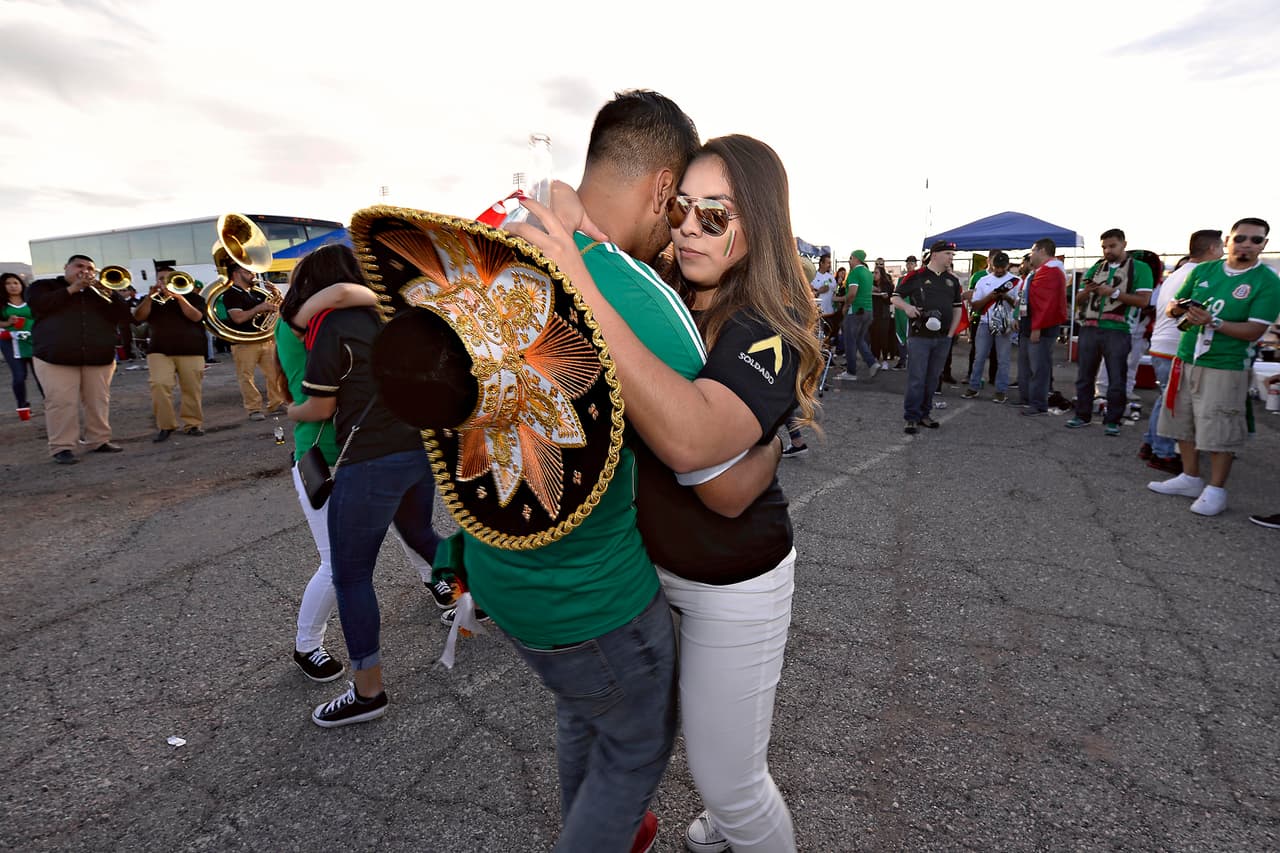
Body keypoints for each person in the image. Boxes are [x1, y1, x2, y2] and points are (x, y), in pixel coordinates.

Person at [511, 131, 820, 853]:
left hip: (731, 578)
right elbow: (577, 204)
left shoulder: (768, 327)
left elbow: (709, 471)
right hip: (647, 570)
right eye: (680, 207)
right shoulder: (661, 286)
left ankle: (736, 819)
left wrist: (584, 288)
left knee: (732, 785)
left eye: (715, 214)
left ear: (760, 224)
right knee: (631, 729)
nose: (687, 228)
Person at [274, 247, 457, 686]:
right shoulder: (298, 319)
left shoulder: (352, 319)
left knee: (412, 528)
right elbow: (341, 294)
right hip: (326, 453)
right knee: (338, 564)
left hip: (370, 451)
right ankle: (307, 645)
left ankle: (443, 585)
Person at [1148, 217, 1280, 517]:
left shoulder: (1267, 281)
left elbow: (1254, 331)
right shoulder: (1204, 270)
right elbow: (1173, 306)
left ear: (1264, 245)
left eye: (1256, 240)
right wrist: (1179, 309)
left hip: (1226, 364)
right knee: (1182, 420)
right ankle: (1190, 477)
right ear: (1228, 241)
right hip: (1187, 357)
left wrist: (1213, 322)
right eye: (1240, 238)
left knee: (1220, 426)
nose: (1247, 244)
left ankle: (1216, 489)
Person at [28, 255, 132, 463]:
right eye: (79, 266)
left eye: (90, 268)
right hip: (56, 356)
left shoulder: (100, 291)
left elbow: (124, 316)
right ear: (66, 267)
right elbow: (39, 305)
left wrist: (110, 292)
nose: (85, 271)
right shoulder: (43, 286)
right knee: (61, 402)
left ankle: (99, 440)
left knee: (98, 401)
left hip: (98, 355)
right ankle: (62, 446)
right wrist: (73, 288)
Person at [1140, 230, 1223, 473]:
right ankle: (1163, 453)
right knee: (1173, 403)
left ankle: (1151, 443)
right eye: (1221, 248)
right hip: (1176, 346)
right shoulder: (1200, 274)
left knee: (1166, 399)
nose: (1223, 254)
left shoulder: (1177, 274)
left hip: (1163, 344)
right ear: (1212, 249)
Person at [1067, 229, 1154, 436]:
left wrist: (1114, 293)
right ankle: (1082, 415)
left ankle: (1113, 420)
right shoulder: (1097, 268)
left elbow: (1144, 301)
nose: (1107, 250)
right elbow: (1076, 299)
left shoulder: (1140, 268)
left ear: (1124, 244)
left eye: (1112, 246)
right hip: (1089, 326)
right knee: (1084, 375)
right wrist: (1088, 291)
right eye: (1104, 247)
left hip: (1118, 329)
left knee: (1117, 377)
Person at [893, 241, 963, 434]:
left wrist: (951, 334)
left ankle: (925, 414)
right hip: (919, 336)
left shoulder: (952, 280)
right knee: (917, 377)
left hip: (943, 338)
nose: (951, 258)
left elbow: (957, 309)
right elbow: (895, 297)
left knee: (933, 378)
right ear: (934, 255)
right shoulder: (916, 276)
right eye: (948, 253)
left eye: (952, 254)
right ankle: (911, 417)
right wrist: (907, 307)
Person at [132, 263, 207, 442]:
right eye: (161, 279)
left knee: (192, 389)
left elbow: (196, 317)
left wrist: (179, 297)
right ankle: (166, 425)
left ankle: (193, 424)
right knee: (159, 384)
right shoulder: (153, 299)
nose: (164, 282)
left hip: (191, 348)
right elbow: (138, 317)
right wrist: (149, 297)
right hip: (159, 349)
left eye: (168, 278)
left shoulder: (193, 297)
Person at [216, 259, 285, 420]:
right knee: (246, 377)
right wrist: (259, 308)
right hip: (244, 343)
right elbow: (238, 318)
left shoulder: (255, 292)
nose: (253, 275)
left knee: (275, 373)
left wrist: (276, 295)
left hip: (264, 340)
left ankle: (276, 403)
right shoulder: (231, 294)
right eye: (248, 272)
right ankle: (254, 409)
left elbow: (277, 309)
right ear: (236, 274)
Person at [1017, 239, 1068, 416]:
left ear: (1042, 251)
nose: (1030, 255)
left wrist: (1037, 327)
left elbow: (1045, 304)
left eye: (1033, 251)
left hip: (1041, 328)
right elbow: (1028, 298)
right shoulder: (1039, 271)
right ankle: (1026, 398)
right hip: (1028, 324)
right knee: (1025, 365)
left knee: (1039, 368)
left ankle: (1038, 404)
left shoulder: (1052, 271)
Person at [961, 251, 1020, 403]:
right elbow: (975, 305)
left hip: (1005, 323)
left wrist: (1006, 297)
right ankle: (973, 386)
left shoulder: (1016, 281)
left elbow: (1019, 305)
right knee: (979, 356)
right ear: (991, 265)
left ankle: (1001, 390)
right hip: (984, 322)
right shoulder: (983, 280)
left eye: (1002, 267)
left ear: (1007, 265)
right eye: (996, 267)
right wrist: (990, 297)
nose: (999, 270)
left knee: (1003, 358)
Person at [0, 272, 41, 420]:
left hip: (33, 341)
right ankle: (23, 407)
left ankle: (51, 404)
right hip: (11, 342)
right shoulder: (2, 304)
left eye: (15, 283)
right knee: (19, 376)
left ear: (21, 285)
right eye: (8, 283)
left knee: (41, 375)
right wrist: (7, 323)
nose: (12, 286)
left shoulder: (31, 299)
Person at [837, 249, 878, 381]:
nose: (849, 261)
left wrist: (845, 306)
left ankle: (851, 372)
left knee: (850, 340)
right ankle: (872, 363)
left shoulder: (855, 272)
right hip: (868, 310)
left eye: (850, 258)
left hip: (855, 310)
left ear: (856, 259)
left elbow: (852, 293)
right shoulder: (868, 273)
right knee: (859, 339)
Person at [870, 257, 899, 368]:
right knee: (874, 336)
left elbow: (889, 297)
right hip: (873, 313)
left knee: (884, 337)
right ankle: (875, 358)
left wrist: (879, 291)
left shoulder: (887, 283)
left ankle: (885, 360)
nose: (874, 275)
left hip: (884, 314)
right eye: (874, 272)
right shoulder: (870, 283)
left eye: (876, 273)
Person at [891, 256, 917, 370]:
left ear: (915, 265)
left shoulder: (917, 277)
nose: (909, 265)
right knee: (900, 335)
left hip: (911, 311)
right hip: (900, 311)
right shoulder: (901, 279)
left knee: (910, 337)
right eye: (908, 263)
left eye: (911, 263)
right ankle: (902, 360)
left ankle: (911, 362)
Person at [810, 253, 837, 348]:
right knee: (816, 335)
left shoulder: (830, 277)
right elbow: (809, 287)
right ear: (821, 263)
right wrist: (816, 291)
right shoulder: (813, 276)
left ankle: (826, 353)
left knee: (827, 335)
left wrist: (818, 291)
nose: (829, 265)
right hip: (816, 312)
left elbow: (827, 287)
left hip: (828, 312)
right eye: (828, 263)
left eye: (830, 263)